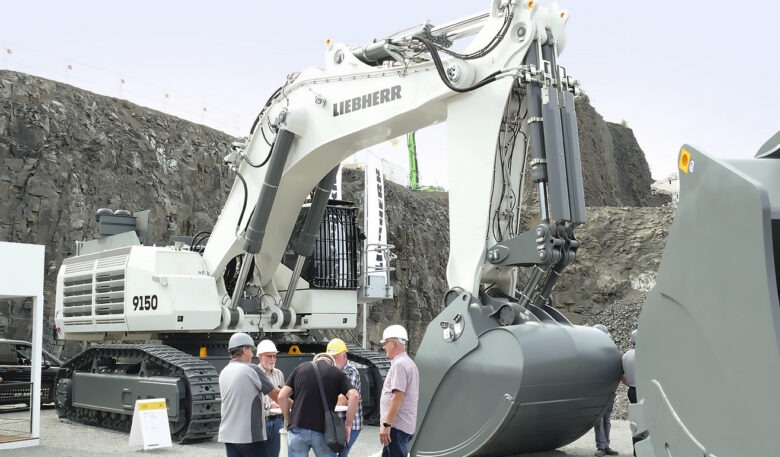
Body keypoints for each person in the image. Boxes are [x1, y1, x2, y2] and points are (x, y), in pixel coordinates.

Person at [278, 352, 359, 457]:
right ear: (331, 363)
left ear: (315, 360)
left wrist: (289, 419)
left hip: (297, 428)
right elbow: (354, 396)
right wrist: (348, 425)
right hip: (323, 431)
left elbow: (281, 396)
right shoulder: (336, 373)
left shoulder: (300, 368)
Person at [218, 332, 280, 457]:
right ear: (244, 349)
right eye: (251, 350)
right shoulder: (252, 369)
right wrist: (296, 406)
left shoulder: (224, 372)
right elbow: (278, 396)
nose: (252, 354)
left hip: (229, 436)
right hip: (250, 437)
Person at [378, 324, 419, 457]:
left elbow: (398, 396)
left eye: (385, 343)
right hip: (402, 425)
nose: (384, 347)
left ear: (393, 343)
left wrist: (386, 424)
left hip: (396, 427)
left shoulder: (399, 365)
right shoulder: (409, 363)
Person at [326, 338, 363, 457]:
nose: (333, 361)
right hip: (336, 422)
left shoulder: (351, 372)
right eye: (330, 358)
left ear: (344, 356)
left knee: (342, 452)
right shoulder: (329, 371)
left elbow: (343, 400)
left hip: (351, 423)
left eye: (335, 357)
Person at [592, 324, 619, 456]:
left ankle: (605, 446)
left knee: (606, 419)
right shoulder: (594, 352)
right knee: (600, 419)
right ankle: (602, 446)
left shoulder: (610, 351)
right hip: (600, 391)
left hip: (608, 391)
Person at [257, 340, 286, 457]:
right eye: (269, 356)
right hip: (261, 421)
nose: (272, 359)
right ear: (260, 357)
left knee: (274, 454)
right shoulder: (254, 374)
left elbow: (283, 396)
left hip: (277, 421)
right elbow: (253, 399)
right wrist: (269, 406)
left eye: (274, 356)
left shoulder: (279, 374)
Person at [622, 329, 639, 455]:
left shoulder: (625, 355)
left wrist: (630, 383)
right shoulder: (644, 354)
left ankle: (636, 451)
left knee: (637, 422)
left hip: (632, 390)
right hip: (644, 391)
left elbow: (622, 376)